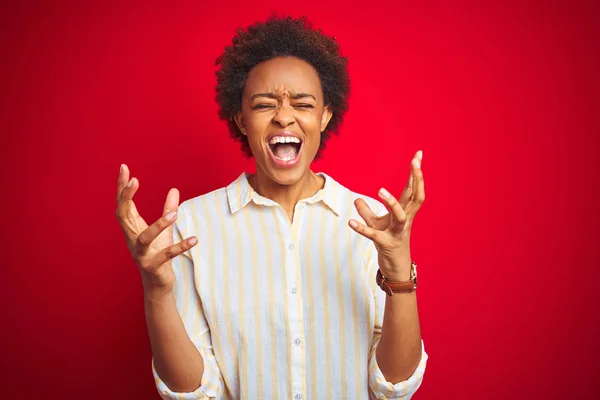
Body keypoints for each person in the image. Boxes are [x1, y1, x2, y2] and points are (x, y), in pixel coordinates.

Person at [116, 15, 428, 400]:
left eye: (303, 103)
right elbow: (192, 392)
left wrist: (398, 270)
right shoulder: (191, 227)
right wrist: (156, 291)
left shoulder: (370, 227)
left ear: (324, 116)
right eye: (264, 104)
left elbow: (395, 385)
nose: (284, 115)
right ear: (241, 120)